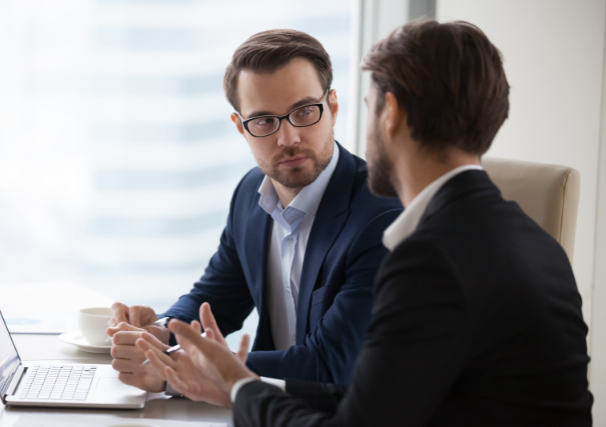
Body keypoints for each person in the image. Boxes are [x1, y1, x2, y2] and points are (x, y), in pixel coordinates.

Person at [136, 20, 594, 426]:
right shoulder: (533, 241)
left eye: (369, 104)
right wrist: (178, 343)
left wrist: (230, 381)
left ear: (389, 113)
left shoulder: (425, 253)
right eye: (265, 121)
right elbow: (380, 401)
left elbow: (347, 392)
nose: (289, 135)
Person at [106, 29, 403, 394]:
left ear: (334, 107)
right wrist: (159, 332)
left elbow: (330, 363)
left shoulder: (382, 217)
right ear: (240, 128)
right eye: (264, 121)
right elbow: (217, 298)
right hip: (261, 409)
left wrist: (177, 366)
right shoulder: (251, 193)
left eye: (305, 111)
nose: (289, 137)